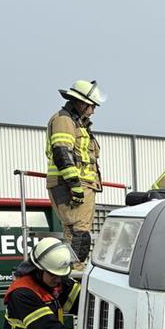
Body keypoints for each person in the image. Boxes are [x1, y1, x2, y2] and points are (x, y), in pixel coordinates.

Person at [47, 79, 104, 268]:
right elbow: (62, 153)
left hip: (82, 185)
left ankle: (73, 273)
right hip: (71, 185)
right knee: (78, 234)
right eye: (92, 105)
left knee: (79, 233)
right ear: (81, 103)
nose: (93, 110)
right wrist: (74, 185)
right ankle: (74, 275)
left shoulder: (79, 123)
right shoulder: (64, 120)